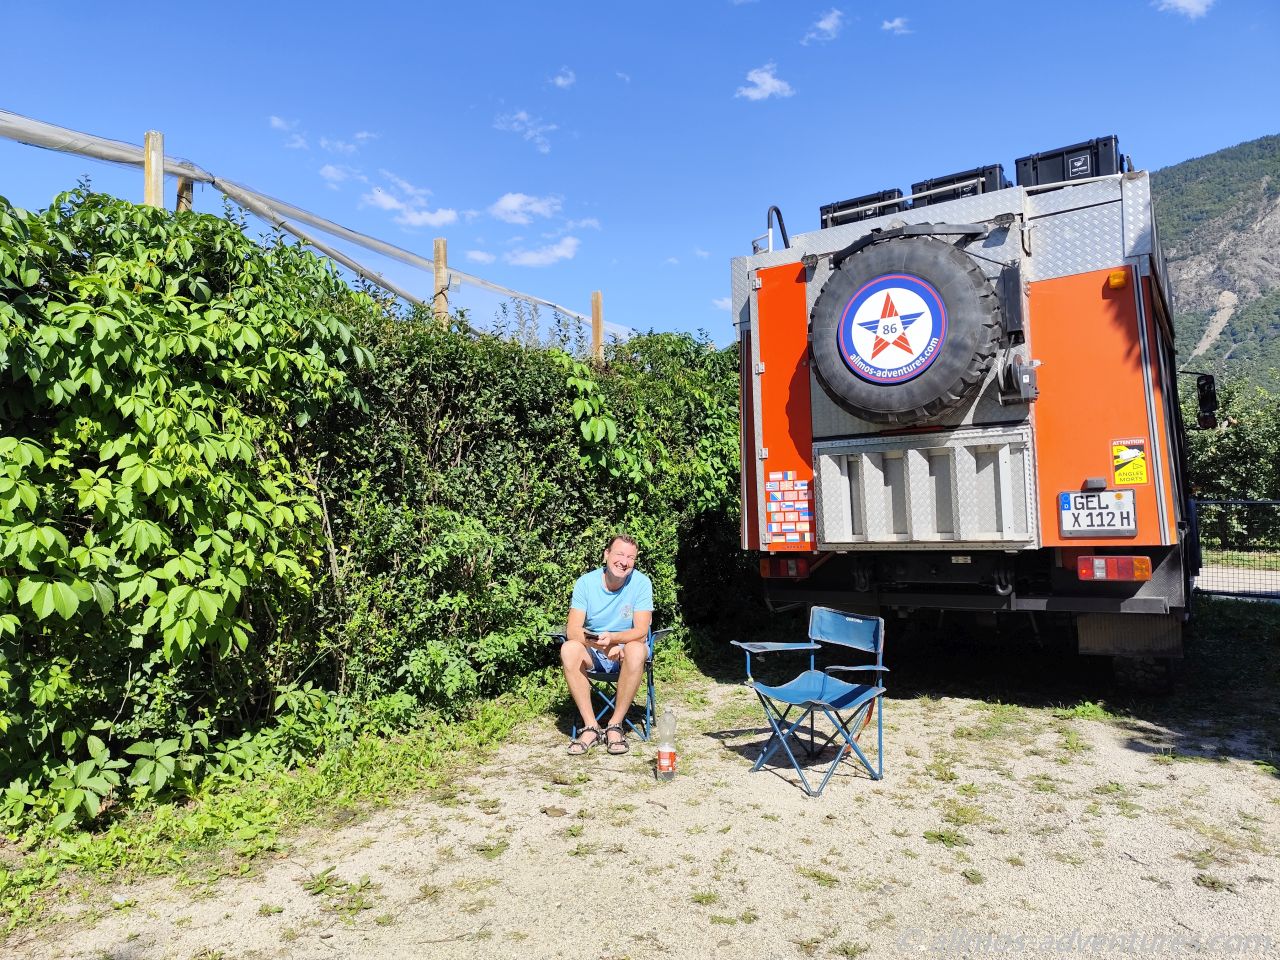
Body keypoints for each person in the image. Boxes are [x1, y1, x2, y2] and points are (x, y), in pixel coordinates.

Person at [561, 534, 653, 756]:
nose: (624, 562)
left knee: (636, 649)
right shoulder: (586, 583)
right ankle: (591, 726)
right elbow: (572, 630)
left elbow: (641, 631)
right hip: (593, 650)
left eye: (630, 557)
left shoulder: (641, 583)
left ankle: (615, 725)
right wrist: (604, 646)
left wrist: (615, 640)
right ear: (606, 555)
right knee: (569, 648)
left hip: (626, 652)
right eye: (619, 554)